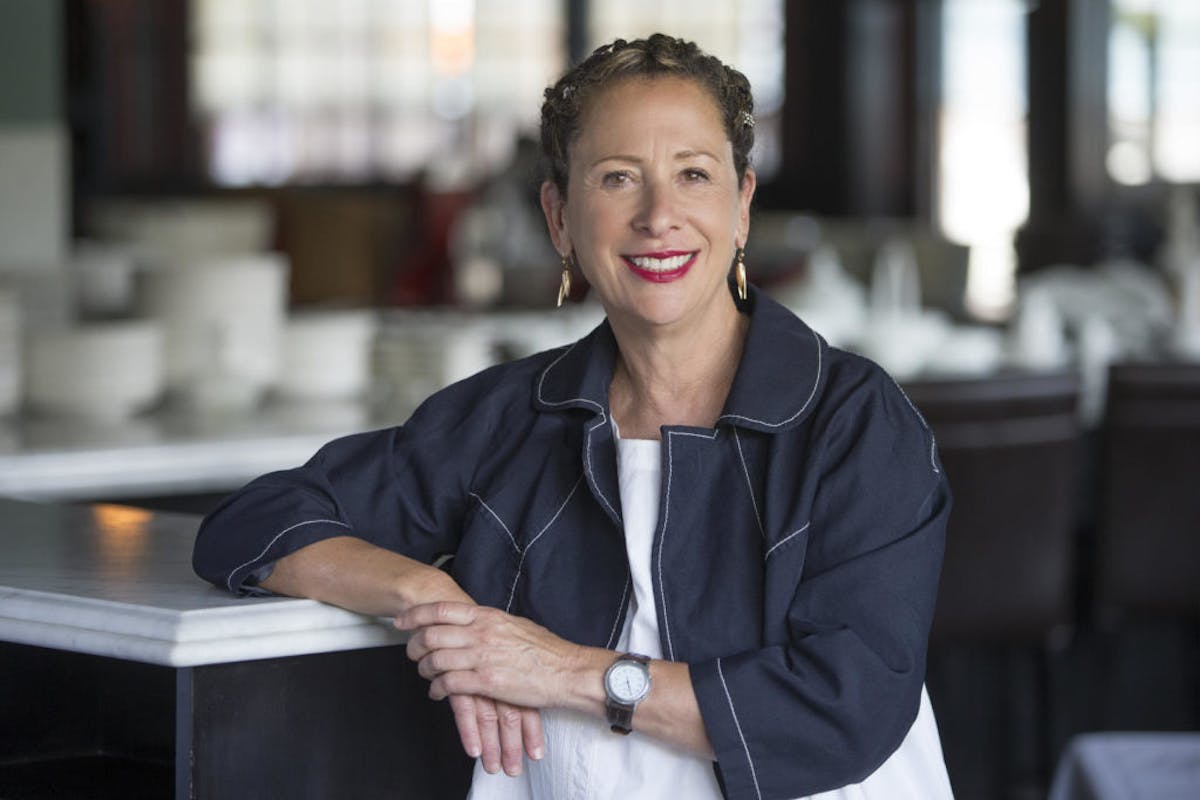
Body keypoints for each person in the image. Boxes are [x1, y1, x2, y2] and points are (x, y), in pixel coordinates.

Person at [193, 34, 954, 800]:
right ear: (559, 218)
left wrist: (560, 670)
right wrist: (433, 600)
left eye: (693, 174)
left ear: (742, 204)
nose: (660, 216)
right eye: (618, 178)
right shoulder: (512, 417)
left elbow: (841, 708)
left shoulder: (853, 421)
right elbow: (255, 522)